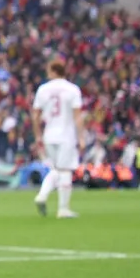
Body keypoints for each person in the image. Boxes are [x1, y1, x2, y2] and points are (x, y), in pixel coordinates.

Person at [33, 59, 88, 218]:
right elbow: (77, 116)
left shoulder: (43, 89)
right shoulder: (72, 89)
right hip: (66, 135)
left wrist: (37, 135)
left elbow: (35, 115)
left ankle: (43, 195)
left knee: (56, 169)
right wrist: (81, 137)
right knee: (65, 171)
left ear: (53, 71)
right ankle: (62, 208)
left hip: (49, 135)